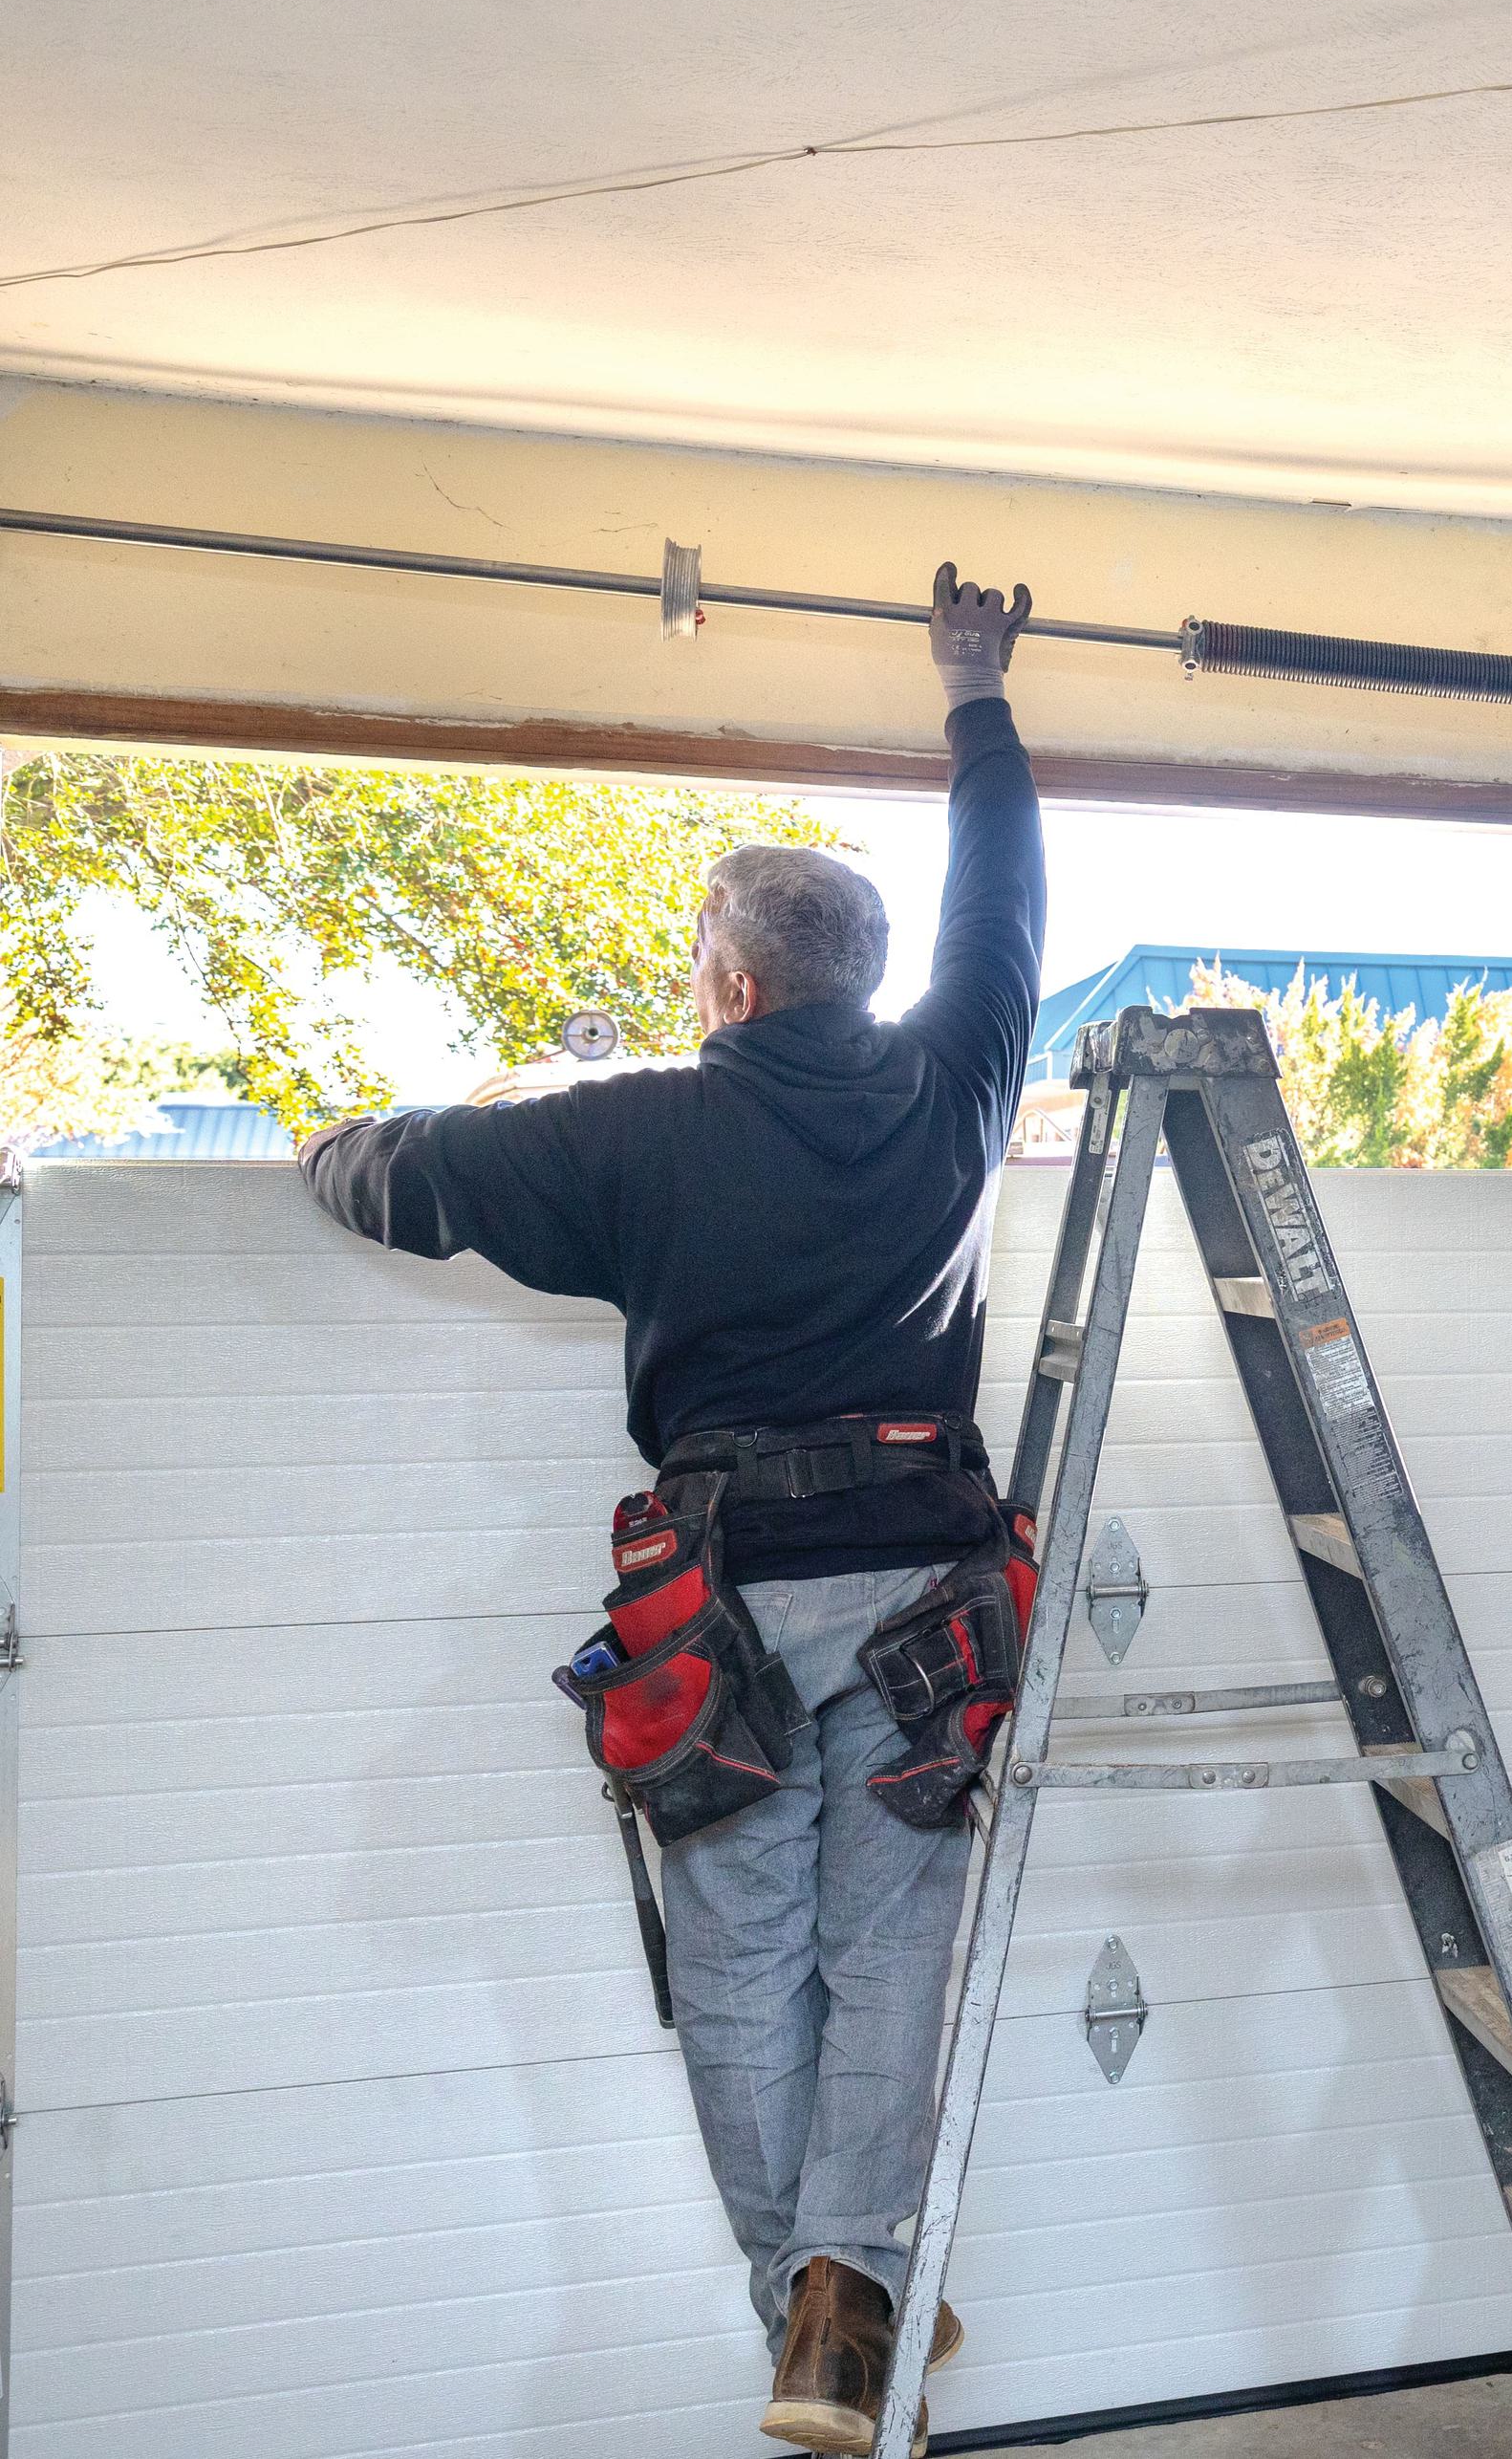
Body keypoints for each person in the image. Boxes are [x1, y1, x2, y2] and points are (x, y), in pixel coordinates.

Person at [298, 567, 1045, 2453]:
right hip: (929, 1591)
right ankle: (850, 2290)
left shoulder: (626, 1128)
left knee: (736, 1968)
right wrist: (975, 700)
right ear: (866, 980)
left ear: (724, 980)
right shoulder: (954, 1085)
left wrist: (329, 1140)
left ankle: (818, 2313)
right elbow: (1006, 916)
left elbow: (389, 1183)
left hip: (723, 1611)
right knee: (887, 1959)